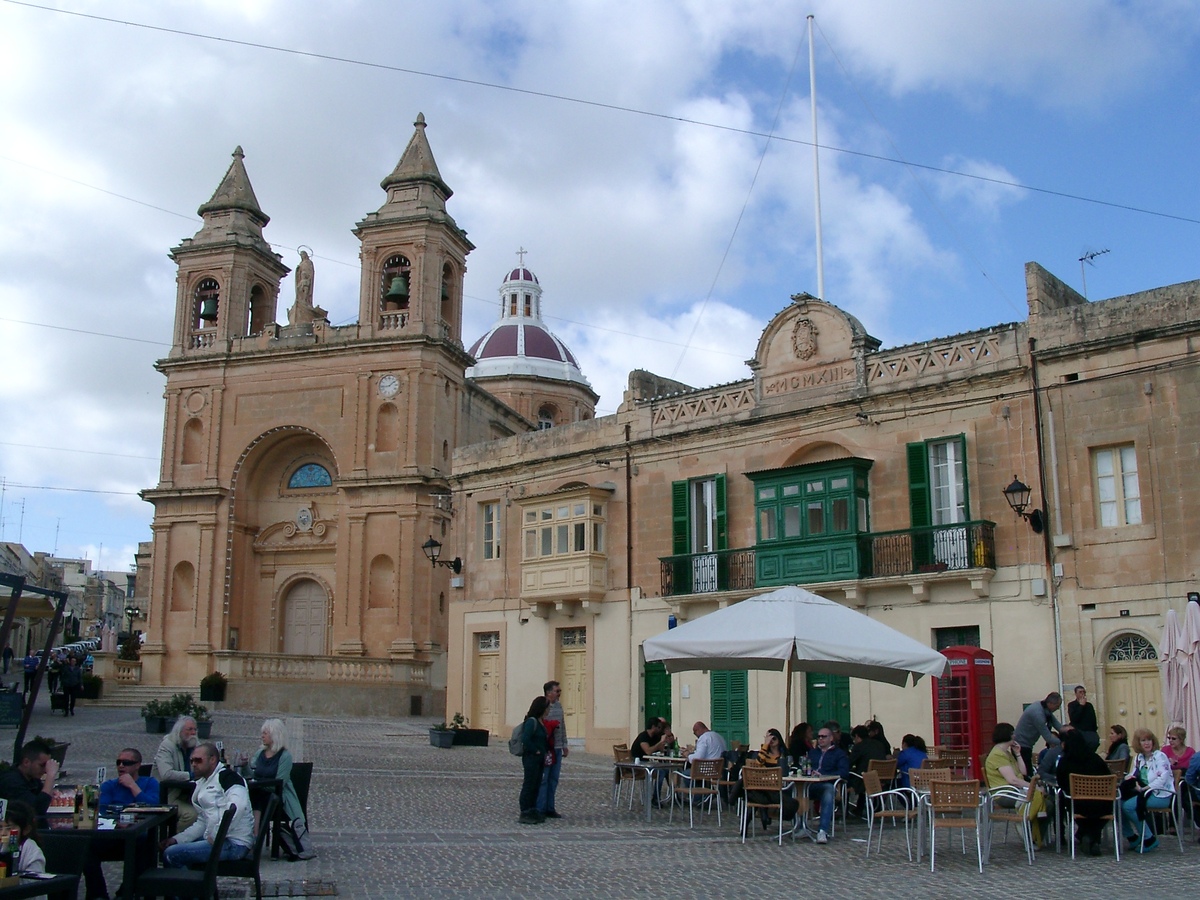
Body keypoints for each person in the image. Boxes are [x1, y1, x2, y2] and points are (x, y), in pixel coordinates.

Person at [160, 742, 253, 868]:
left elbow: (237, 807)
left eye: (198, 760)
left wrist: (215, 836)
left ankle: (189, 881)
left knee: (171, 854)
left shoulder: (229, 778)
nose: (194, 764)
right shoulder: (203, 782)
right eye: (192, 761)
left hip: (234, 843)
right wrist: (177, 839)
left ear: (212, 759)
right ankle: (194, 879)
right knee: (174, 847)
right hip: (220, 840)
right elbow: (203, 821)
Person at [243, 718, 314, 859]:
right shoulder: (260, 753)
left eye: (265, 733)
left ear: (275, 735)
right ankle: (251, 835)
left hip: (277, 796)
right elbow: (252, 773)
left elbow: (280, 782)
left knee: (257, 796)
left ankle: (254, 837)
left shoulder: (285, 757)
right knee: (250, 796)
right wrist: (244, 765)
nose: (262, 736)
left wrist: (260, 783)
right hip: (260, 792)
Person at [984, 722, 1048, 843]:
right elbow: (1013, 780)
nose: (1015, 736)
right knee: (1043, 803)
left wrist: (1018, 753)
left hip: (1016, 791)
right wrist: (1034, 787)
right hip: (1005, 794)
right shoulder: (997, 755)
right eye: (1013, 733)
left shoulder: (1007, 753)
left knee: (1048, 803)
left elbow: (1022, 772)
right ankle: (1028, 832)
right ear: (1007, 735)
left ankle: (1035, 836)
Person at [1056, 729, 1112, 856]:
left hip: (1077, 804)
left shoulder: (1065, 762)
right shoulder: (1096, 759)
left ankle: (1087, 835)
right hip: (1101, 804)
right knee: (1104, 809)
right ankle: (1092, 838)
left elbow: (1061, 783)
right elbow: (1108, 778)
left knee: (1065, 800)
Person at [1120, 727, 1174, 852]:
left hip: (1160, 794)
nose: (1147, 743)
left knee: (1128, 806)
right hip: (1144, 792)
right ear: (1138, 743)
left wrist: (1145, 788)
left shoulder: (1160, 756)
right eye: (1143, 740)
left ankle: (1149, 838)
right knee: (1119, 803)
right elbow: (1133, 774)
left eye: (1149, 740)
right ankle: (1132, 837)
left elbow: (1163, 778)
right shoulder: (1139, 758)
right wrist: (1133, 782)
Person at [804, 725, 850, 844]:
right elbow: (805, 766)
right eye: (818, 736)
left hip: (827, 785)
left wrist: (824, 775)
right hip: (809, 784)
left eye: (823, 736)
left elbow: (844, 772)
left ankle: (822, 830)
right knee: (794, 790)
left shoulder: (839, 754)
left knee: (828, 791)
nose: (820, 739)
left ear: (831, 738)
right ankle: (800, 826)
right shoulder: (812, 753)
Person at [745, 729, 798, 828]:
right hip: (766, 785)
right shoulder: (764, 754)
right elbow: (758, 763)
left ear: (779, 738)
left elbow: (792, 767)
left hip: (782, 786)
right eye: (768, 738)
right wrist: (765, 745)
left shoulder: (784, 754)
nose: (771, 741)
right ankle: (763, 813)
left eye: (773, 738)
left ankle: (764, 813)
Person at [155, 715, 199, 829]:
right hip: (168, 795)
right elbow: (166, 774)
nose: (193, 733)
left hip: (189, 794)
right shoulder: (167, 746)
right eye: (190, 729)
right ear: (179, 731)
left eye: (195, 729)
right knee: (191, 814)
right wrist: (191, 775)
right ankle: (172, 837)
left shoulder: (194, 746)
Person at [1014, 692, 1067, 777]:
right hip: (1021, 745)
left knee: (1028, 772)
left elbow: (1058, 726)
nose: (1058, 708)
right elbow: (1048, 738)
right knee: (1027, 774)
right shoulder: (1038, 714)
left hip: (1027, 744)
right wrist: (1065, 742)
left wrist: (1070, 733)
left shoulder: (1044, 708)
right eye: (1057, 706)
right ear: (1050, 703)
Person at [0, 740, 58, 817]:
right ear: (26, 762)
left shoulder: (32, 778)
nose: (45, 770)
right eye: (42, 765)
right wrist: (50, 776)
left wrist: (51, 790)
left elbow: (42, 795)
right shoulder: (11, 781)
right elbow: (37, 809)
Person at [536, 681, 567, 820]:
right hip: (547, 748)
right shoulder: (543, 706)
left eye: (559, 691)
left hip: (558, 747)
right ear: (549, 692)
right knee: (544, 779)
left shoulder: (559, 706)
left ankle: (550, 807)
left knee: (554, 779)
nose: (559, 693)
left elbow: (563, 726)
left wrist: (564, 744)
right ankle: (540, 807)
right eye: (557, 691)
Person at [517, 696, 549, 824]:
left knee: (536, 784)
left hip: (539, 759)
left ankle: (532, 809)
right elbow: (526, 739)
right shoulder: (532, 722)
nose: (548, 710)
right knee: (529, 784)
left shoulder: (541, 722)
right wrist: (535, 750)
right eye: (547, 708)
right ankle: (525, 811)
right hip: (531, 758)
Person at [847, 724, 889, 817]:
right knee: (864, 774)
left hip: (865, 780)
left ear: (857, 736)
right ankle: (864, 807)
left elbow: (849, 762)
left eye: (854, 739)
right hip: (882, 778)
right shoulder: (879, 744)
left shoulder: (859, 746)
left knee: (846, 779)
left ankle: (845, 809)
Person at [1, 801, 45, 874]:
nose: (3, 833)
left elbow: (34, 879)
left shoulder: (32, 851)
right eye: (0, 828)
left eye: (9, 828)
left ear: (26, 829)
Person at [1067, 685, 1100, 752]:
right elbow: (1074, 718)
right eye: (1080, 692)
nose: (1082, 694)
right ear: (1076, 694)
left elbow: (1093, 719)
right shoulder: (1072, 705)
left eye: (1084, 692)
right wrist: (1081, 706)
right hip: (1078, 731)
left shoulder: (1089, 705)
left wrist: (1094, 730)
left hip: (1090, 732)